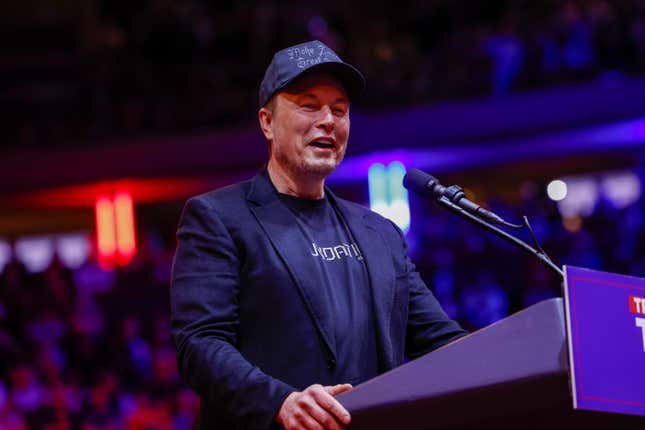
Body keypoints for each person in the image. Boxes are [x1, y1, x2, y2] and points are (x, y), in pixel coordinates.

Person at [170, 40, 467, 430]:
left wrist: (524, 351)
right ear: (267, 122)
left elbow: (441, 341)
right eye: (309, 105)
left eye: (339, 110)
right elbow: (200, 343)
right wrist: (281, 401)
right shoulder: (218, 218)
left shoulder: (380, 233)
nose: (328, 120)